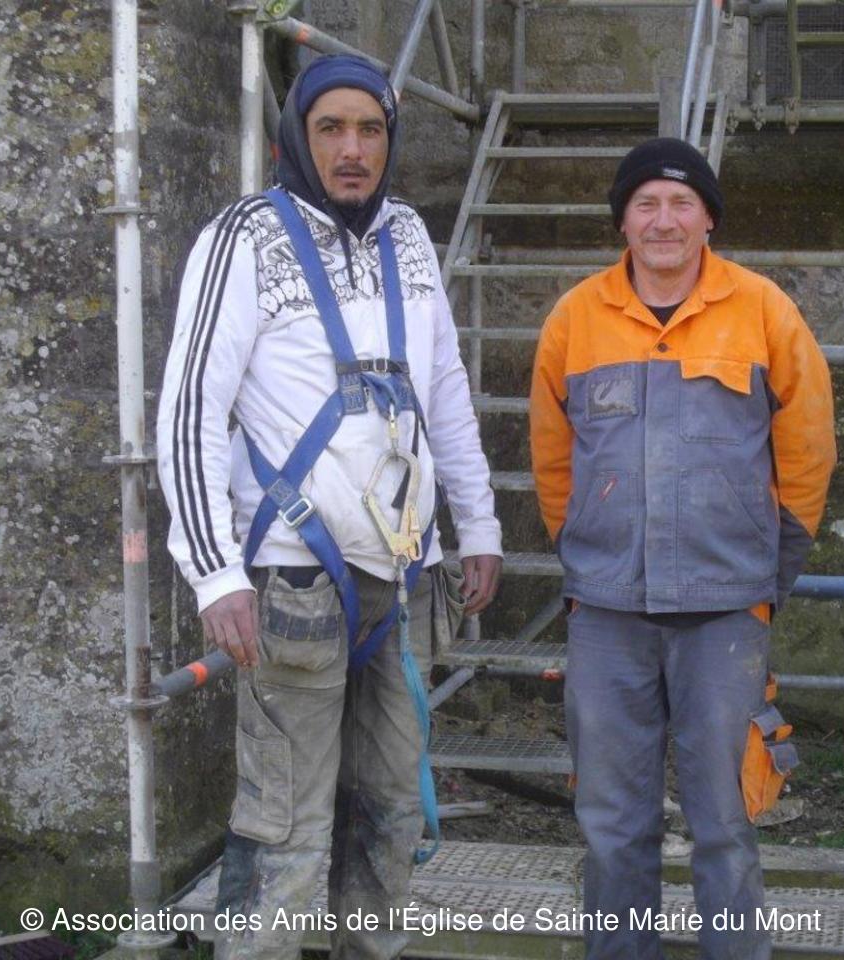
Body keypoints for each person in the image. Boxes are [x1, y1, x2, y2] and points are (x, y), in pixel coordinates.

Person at [156, 54, 502, 960]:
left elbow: (445, 392)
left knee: (388, 810)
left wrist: (479, 524)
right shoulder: (243, 238)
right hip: (292, 584)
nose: (353, 150)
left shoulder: (409, 236)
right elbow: (190, 411)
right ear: (296, 137)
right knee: (287, 824)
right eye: (331, 129)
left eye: (371, 130)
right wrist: (215, 574)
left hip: (405, 578)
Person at [529, 137, 836, 959]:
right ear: (622, 221)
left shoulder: (763, 310)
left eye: (681, 203)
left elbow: (808, 451)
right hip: (607, 616)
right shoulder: (575, 319)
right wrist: (591, 556)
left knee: (725, 822)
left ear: (708, 219)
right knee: (610, 824)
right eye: (646, 204)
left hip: (724, 613)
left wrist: (766, 573)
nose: (663, 220)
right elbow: (553, 463)